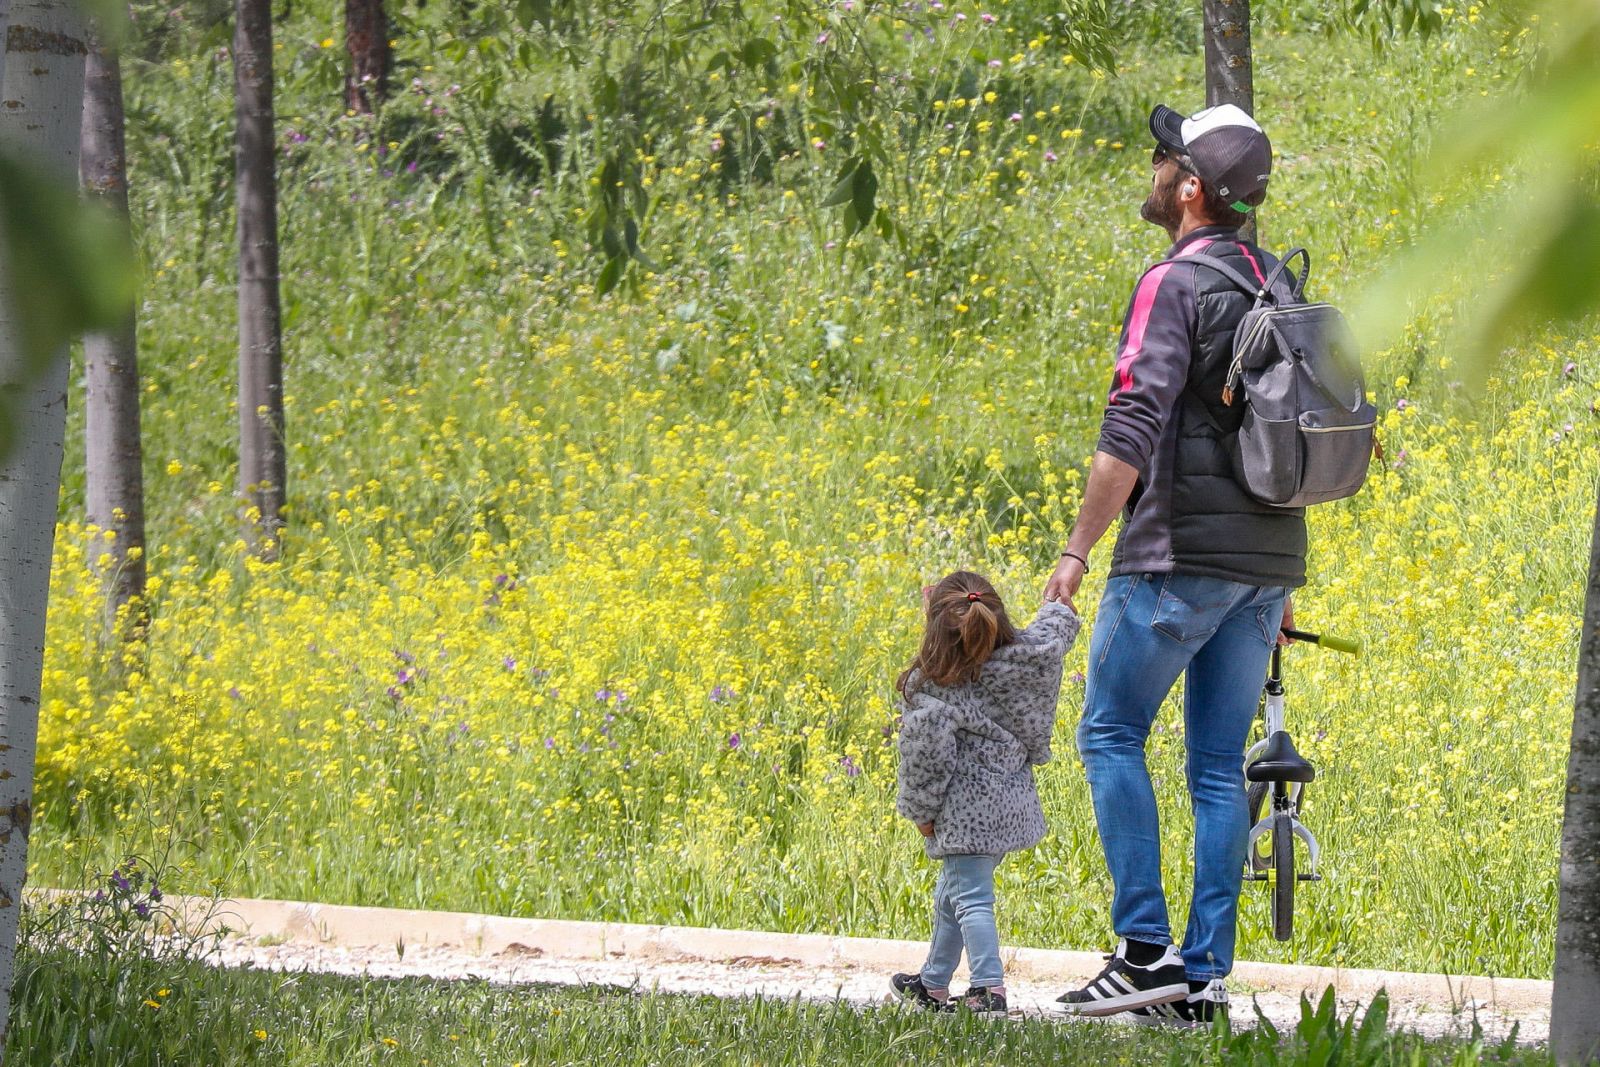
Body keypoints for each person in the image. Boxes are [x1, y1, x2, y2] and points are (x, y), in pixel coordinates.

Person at [1043, 103, 1303, 1027]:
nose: (1153, 168)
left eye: (1166, 157)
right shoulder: (1274, 280)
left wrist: (1078, 549)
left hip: (1175, 556)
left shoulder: (1173, 283)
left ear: (1191, 186)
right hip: (1267, 563)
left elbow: (1131, 427)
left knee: (1109, 731)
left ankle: (1145, 951)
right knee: (1216, 766)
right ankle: (1204, 977)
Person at [890, 571, 1080, 1018]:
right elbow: (1052, 635)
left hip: (962, 811)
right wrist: (1060, 603)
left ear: (937, 627)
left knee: (971, 898)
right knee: (953, 893)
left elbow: (925, 755)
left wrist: (920, 812)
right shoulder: (1023, 660)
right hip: (1009, 803)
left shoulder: (933, 683)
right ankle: (933, 983)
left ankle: (986, 989)